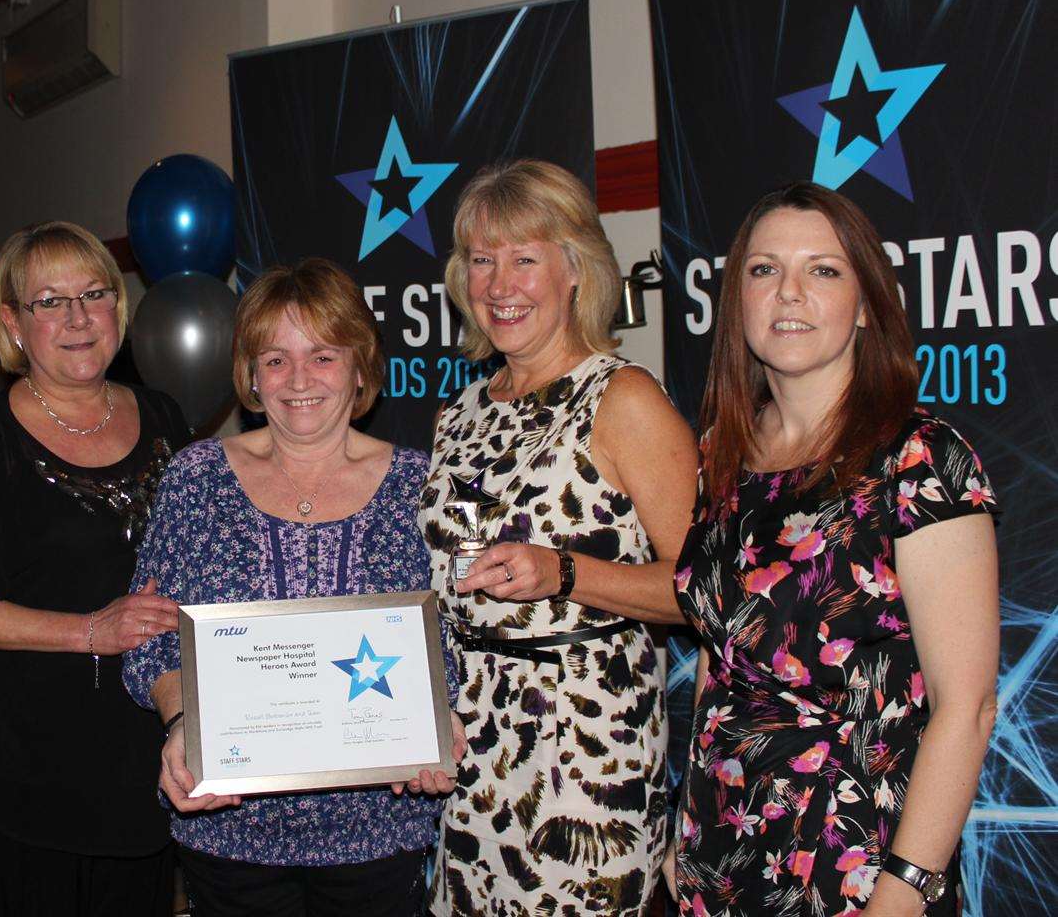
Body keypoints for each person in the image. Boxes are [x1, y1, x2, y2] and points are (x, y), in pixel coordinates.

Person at [670, 182, 999, 916]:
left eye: (822, 270)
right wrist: (684, 830)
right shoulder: (721, 457)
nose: (788, 293)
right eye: (764, 270)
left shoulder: (920, 459)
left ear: (865, 307)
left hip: (855, 865)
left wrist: (903, 890)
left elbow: (967, 706)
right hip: (719, 855)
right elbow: (717, 657)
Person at [122, 257, 462, 917]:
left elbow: (455, 639)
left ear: (361, 368)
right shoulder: (196, 480)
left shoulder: (425, 488)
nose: (298, 379)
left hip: (378, 834)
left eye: (324, 356)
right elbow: (152, 634)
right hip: (227, 831)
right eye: (275, 359)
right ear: (250, 375)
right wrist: (183, 722)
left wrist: (437, 722)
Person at [420, 160, 699, 916]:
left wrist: (566, 574)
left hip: (583, 762)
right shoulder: (460, 413)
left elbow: (704, 591)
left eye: (524, 258)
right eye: (482, 259)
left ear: (576, 270)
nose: (499, 283)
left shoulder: (625, 399)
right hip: (472, 755)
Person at [0, 220, 189, 916]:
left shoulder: (164, 418)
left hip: (152, 755)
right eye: (50, 302)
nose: (77, 318)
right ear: (12, 321)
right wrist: (87, 632)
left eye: (94, 294)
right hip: (33, 769)